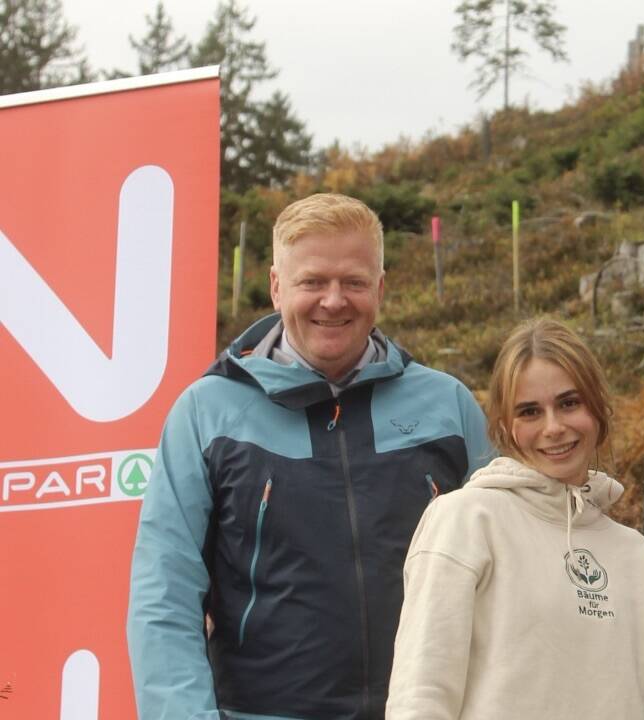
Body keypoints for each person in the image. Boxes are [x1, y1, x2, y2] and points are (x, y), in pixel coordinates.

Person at [127, 193, 492, 719]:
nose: (334, 300)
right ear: (277, 286)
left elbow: (505, 569)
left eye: (354, 282)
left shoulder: (448, 406)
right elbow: (163, 593)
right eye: (313, 281)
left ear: (381, 288)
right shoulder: (206, 413)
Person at [386, 318, 644, 720]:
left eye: (569, 403)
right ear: (505, 426)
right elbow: (420, 696)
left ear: (597, 408)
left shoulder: (635, 554)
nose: (554, 428)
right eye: (530, 412)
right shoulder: (465, 520)